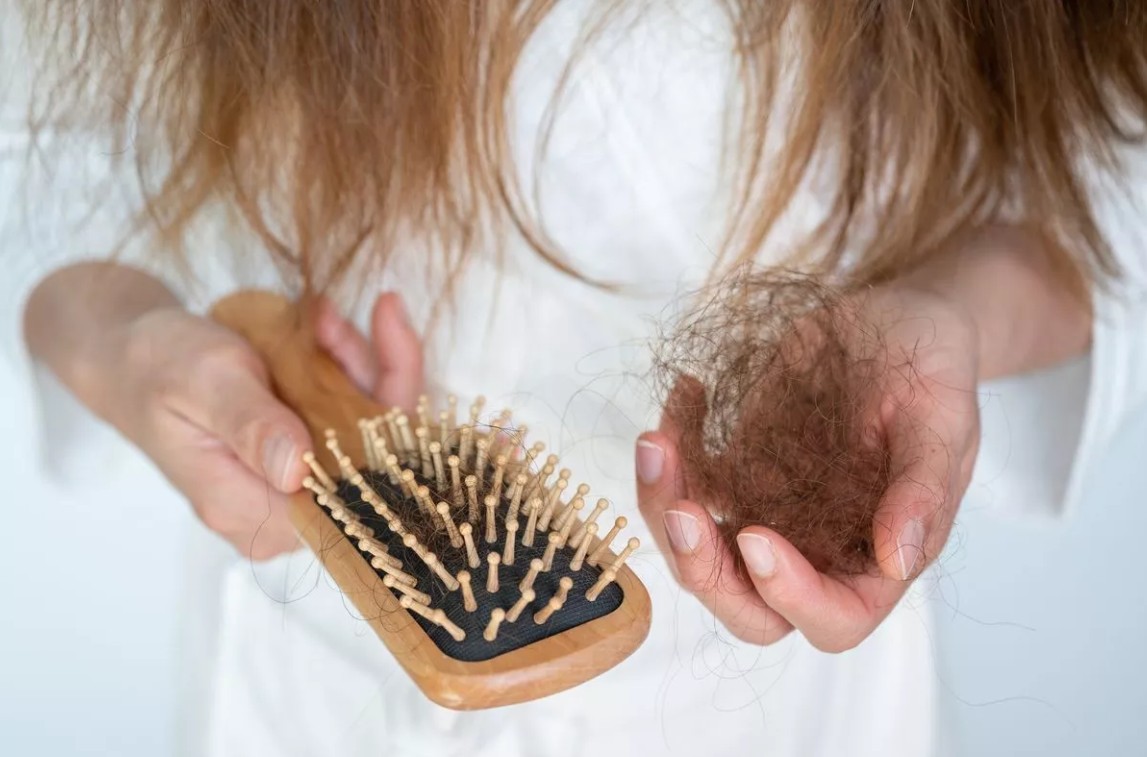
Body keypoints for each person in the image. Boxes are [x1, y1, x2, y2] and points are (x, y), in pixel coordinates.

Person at [6, 2, 1147, 756]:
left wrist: (942, 313)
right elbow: (50, 152)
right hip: (328, 681)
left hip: (776, 707)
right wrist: (123, 339)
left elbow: (1097, 175)